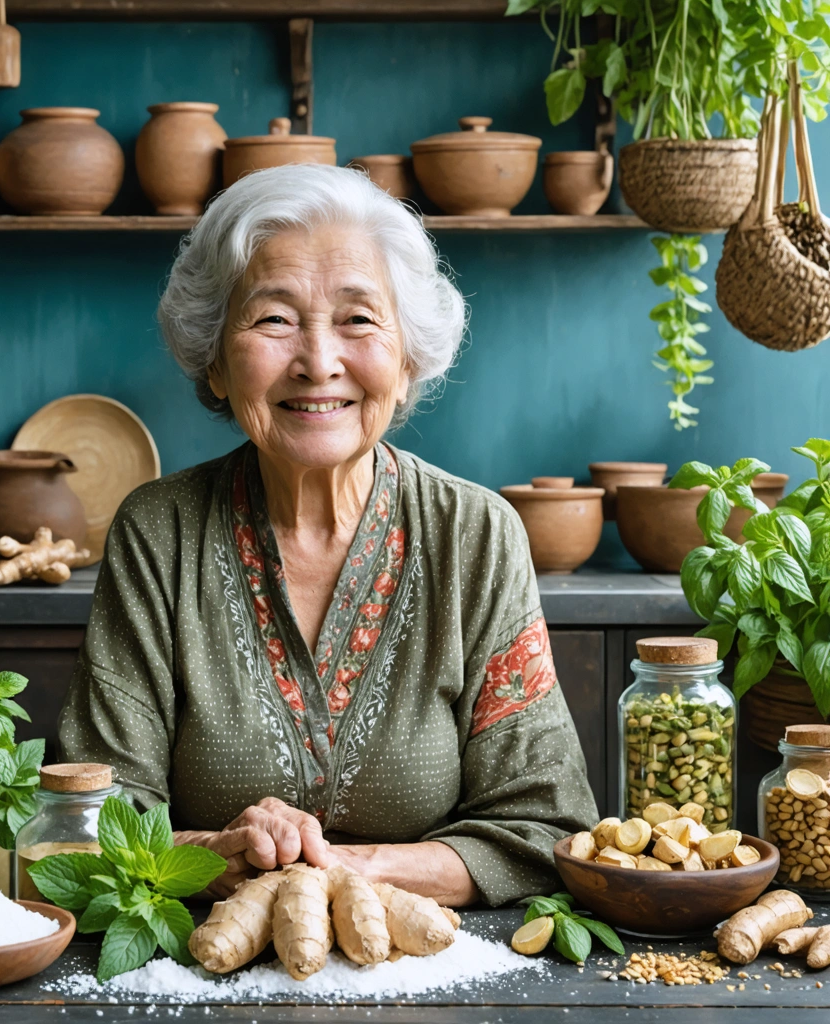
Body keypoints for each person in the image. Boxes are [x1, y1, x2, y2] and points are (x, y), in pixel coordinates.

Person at [59, 163, 597, 906]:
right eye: (274, 319)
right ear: (215, 361)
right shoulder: (160, 533)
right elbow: (93, 820)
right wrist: (218, 854)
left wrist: (352, 871)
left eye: (358, 319)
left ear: (405, 361)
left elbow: (547, 828)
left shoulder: (474, 535)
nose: (318, 362)